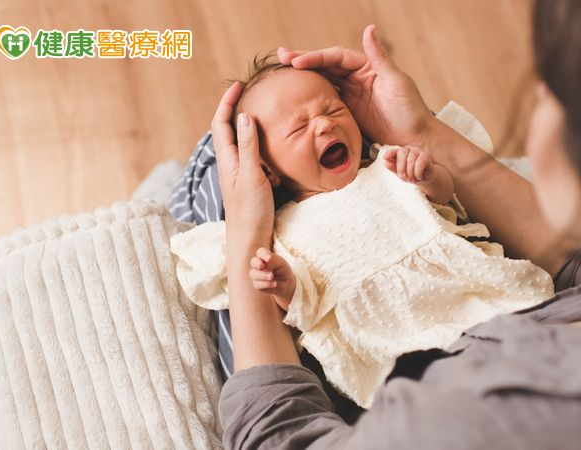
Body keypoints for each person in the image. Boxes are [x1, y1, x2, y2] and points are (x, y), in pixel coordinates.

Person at [212, 0, 581, 448]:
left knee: (205, 168)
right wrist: (423, 132)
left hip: (395, 355)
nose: (326, 122)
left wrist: (244, 238)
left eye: (551, 90)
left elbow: (277, 434)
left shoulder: (474, 421)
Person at [172, 56, 553, 408]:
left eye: (333, 109)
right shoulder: (282, 229)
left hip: (466, 295)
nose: (324, 124)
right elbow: (307, 305)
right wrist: (283, 282)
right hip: (385, 338)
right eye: (299, 127)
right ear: (267, 171)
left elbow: (449, 207)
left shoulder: (387, 165)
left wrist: (427, 175)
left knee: (523, 333)